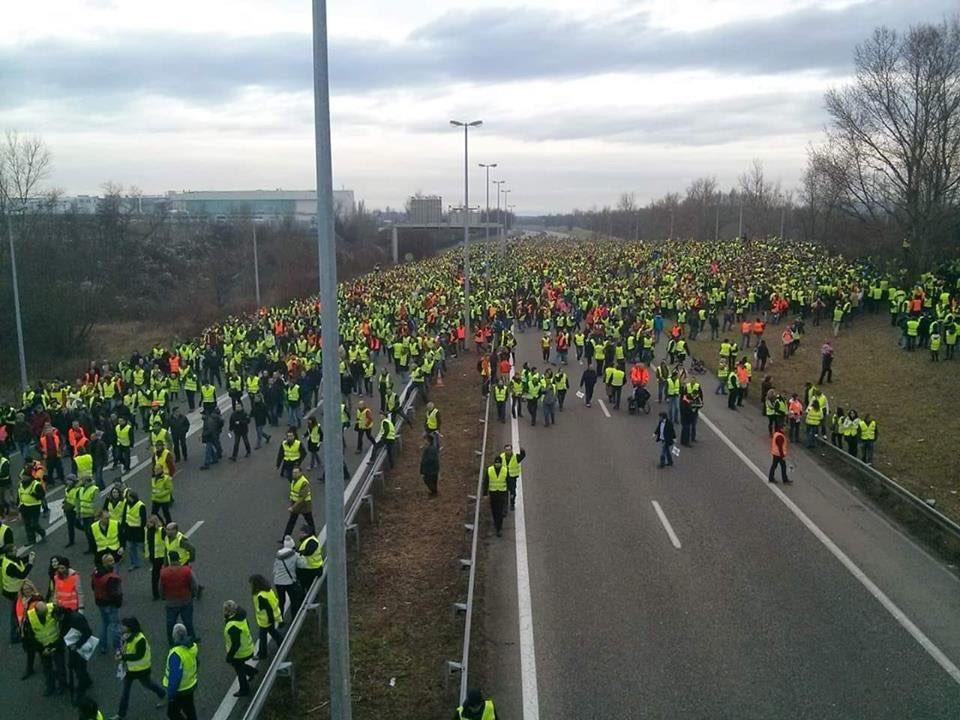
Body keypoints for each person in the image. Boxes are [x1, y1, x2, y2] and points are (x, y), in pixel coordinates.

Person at [115, 616, 166, 719]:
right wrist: (120, 652)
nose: (122, 627)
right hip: (130, 670)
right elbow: (125, 648)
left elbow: (139, 655)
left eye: (124, 626)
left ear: (130, 627)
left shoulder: (140, 639)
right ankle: (120, 714)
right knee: (125, 692)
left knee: (148, 684)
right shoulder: (126, 636)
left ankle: (163, 694)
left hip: (141, 670)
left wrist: (123, 657)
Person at [23, 600, 67, 696]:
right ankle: (50, 687)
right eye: (43, 613)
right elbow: (31, 636)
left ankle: (63, 685)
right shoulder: (30, 617)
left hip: (56, 643)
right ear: (36, 611)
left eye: (46, 612)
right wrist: (42, 649)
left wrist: (58, 644)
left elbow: (63, 626)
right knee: (47, 668)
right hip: (43, 647)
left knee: (60, 666)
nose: (46, 614)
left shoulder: (53, 609)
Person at [163, 623, 199, 720]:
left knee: (172, 713)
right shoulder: (193, 646)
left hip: (180, 690)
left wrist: (170, 694)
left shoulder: (176, 654)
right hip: (190, 684)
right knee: (190, 709)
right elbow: (196, 662)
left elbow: (175, 677)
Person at [223, 600, 258, 698]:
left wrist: (229, 656)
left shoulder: (232, 626)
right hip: (248, 647)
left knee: (239, 670)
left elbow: (236, 644)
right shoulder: (241, 618)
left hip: (240, 652)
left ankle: (244, 689)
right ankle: (252, 672)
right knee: (239, 666)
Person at [160, 553, 198, 643]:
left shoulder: (164, 572)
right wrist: (193, 594)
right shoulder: (187, 570)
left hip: (171, 602)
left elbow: (161, 587)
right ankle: (191, 638)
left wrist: (163, 597)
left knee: (170, 623)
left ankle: (171, 640)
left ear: (170, 560)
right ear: (179, 559)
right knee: (188, 622)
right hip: (185, 600)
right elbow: (194, 584)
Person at [61, 607, 93, 704]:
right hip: (73, 646)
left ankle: (81, 693)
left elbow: (88, 632)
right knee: (74, 665)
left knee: (80, 669)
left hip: (81, 646)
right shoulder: (67, 618)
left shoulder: (77, 619)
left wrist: (77, 644)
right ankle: (87, 681)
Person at [92, 552, 123, 655]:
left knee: (105, 624)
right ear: (105, 563)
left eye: (113, 560)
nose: (113, 562)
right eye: (110, 561)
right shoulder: (112, 577)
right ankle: (118, 647)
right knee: (115, 626)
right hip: (111, 604)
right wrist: (118, 603)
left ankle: (103, 646)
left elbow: (93, 587)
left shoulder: (96, 573)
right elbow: (115, 594)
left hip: (100, 602)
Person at [3, 545, 35, 643]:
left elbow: (19, 560)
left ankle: (22, 629)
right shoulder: (10, 566)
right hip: (14, 592)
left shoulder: (9, 559)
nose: (16, 550)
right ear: (9, 553)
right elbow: (22, 575)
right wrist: (30, 563)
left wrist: (28, 557)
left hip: (14, 591)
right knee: (16, 614)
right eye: (14, 550)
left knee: (18, 611)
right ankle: (15, 635)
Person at [249, 574, 284, 660]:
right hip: (271, 618)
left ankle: (262, 654)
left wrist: (270, 620)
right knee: (273, 632)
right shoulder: (268, 591)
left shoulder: (261, 596)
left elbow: (268, 610)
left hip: (266, 620)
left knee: (263, 637)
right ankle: (282, 644)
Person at [273, 536, 304, 617]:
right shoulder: (295, 555)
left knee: (281, 601)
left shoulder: (278, 554)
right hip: (290, 582)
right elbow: (302, 564)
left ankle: (280, 620)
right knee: (293, 600)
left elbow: (275, 569)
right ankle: (294, 618)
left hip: (278, 581)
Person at [284, 467, 316, 538]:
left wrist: (293, 507)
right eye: (293, 473)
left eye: (296, 473)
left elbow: (302, 497)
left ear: (300, 473)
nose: (294, 474)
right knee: (291, 522)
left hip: (304, 505)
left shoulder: (304, 482)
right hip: (296, 505)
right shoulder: (294, 480)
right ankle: (285, 537)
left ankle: (314, 536)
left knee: (309, 521)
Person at [18, 466, 46, 545]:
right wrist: (19, 507)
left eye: (24, 476)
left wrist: (35, 495)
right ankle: (31, 540)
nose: (22, 478)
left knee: (34, 524)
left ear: (29, 477)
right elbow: (19, 496)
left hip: (34, 507)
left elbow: (42, 495)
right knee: (27, 524)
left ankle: (41, 532)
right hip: (24, 506)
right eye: (22, 476)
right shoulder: (20, 484)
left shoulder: (36, 485)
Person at [484, 456, 509, 537]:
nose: (497, 464)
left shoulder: (505, 470)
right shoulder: (490, 470)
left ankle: (499, 528)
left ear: (501, 463)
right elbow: (486, 482)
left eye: (499, 463)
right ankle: (496, 523)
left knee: (500, 512)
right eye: (496, 463)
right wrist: (485, 494)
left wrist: (511, 491)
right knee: (494, 511)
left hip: (502, 494)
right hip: (493, 494)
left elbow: (508, 481)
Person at [122, 490, 146, 571]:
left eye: (128, 497)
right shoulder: (127, 504)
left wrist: (142, 530)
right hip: (129, 530)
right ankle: (135, 563)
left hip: (138, 530)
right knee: (131, 547)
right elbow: (125, 515)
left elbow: (143, 520)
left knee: (142, 547)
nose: (127, 498)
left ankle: (152, 557)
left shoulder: (141, 506)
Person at [500, 444, 525, 511]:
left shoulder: (515, 457)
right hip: (504, 478)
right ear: (504, 450)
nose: (508, 451)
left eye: (509, 450)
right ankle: (504, 508)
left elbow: (522, 456)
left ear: (511, 450)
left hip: (512, 478)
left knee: (512, 493)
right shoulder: (501, 457)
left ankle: (512, 504)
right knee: (504, 493)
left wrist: (522, 450)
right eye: (506, 450)